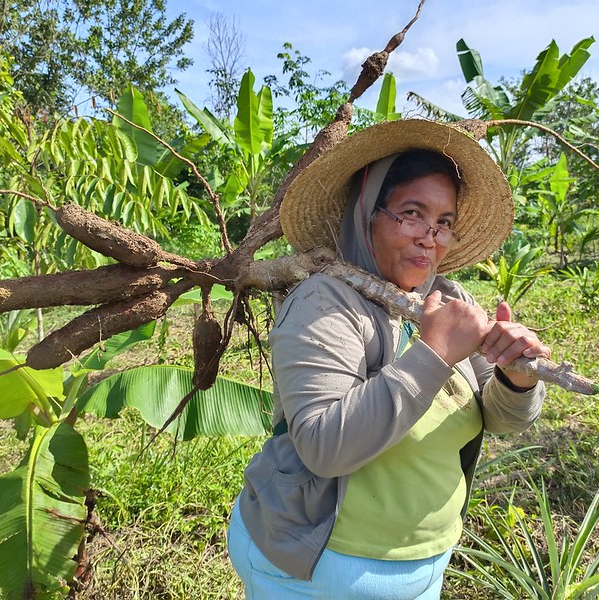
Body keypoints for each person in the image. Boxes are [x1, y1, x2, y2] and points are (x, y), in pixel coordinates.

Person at [227, 119, 549, 599]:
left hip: (425, 561)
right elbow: (323, 446)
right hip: (312, 567)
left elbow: (502, 420)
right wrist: (435, 352)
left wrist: (517, 376)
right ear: (367, 212)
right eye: (412, 213)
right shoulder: (324, 301)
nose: (430, 237)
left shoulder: (447, 297)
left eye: (444, 223)